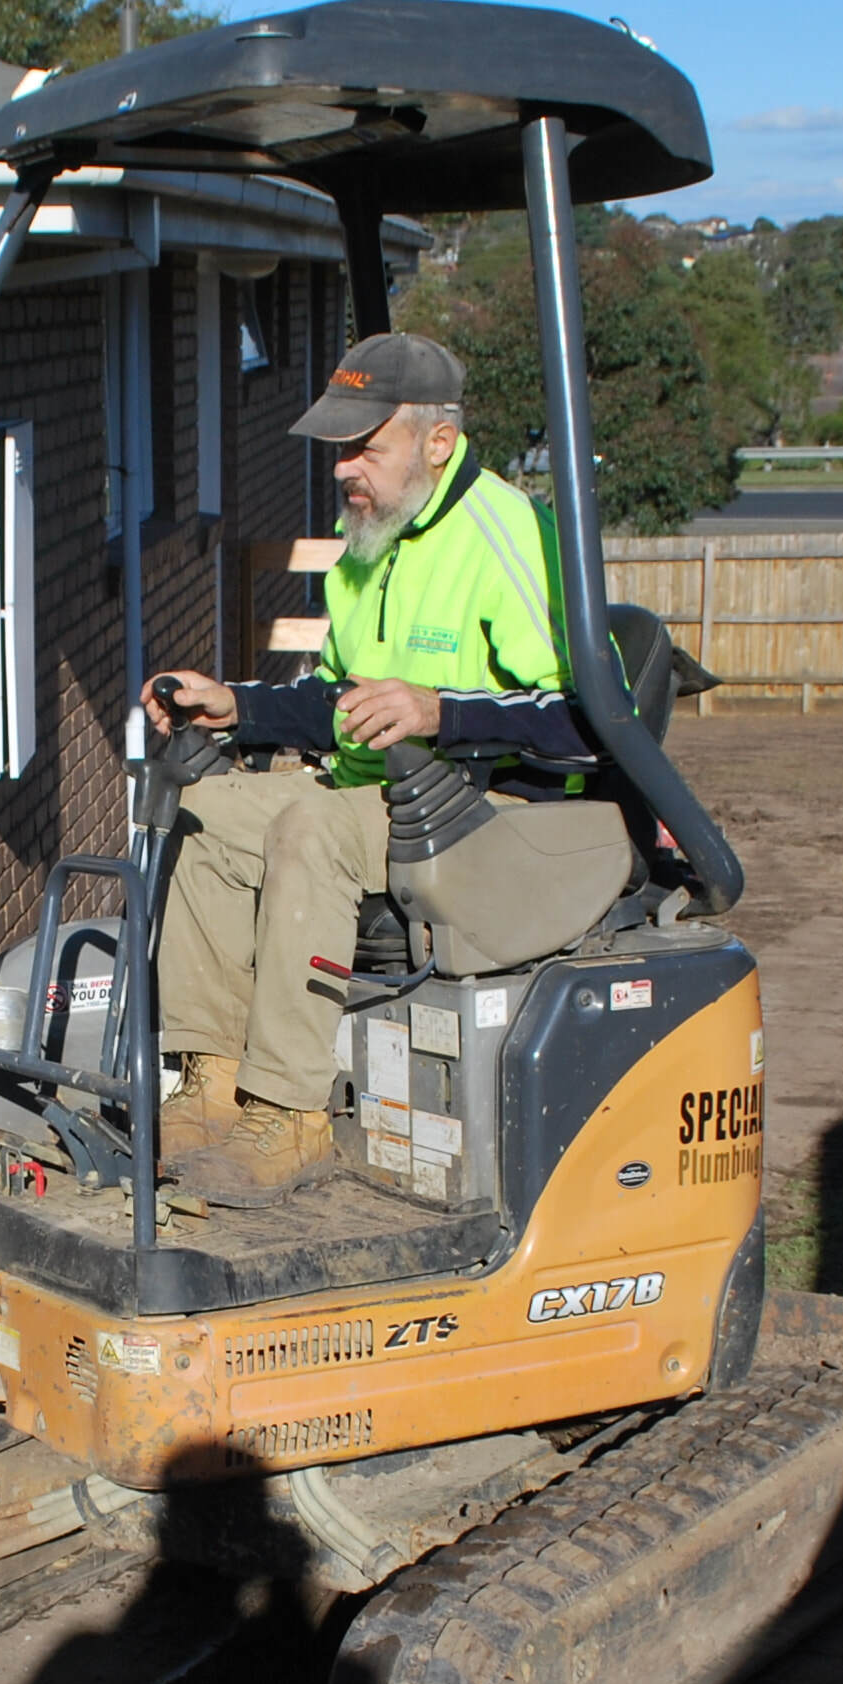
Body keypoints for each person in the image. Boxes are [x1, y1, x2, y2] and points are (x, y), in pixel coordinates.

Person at [142, 332, 594, 1204]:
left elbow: (584, 725)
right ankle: (212, 1080)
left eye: (364, 448)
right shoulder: (368, 542)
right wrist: (237, 705)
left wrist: (441, 711)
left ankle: (291, 1113)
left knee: (309, 825)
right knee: (210, 807)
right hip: (383, 791)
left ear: (436, 441)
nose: (345, 469)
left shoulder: (506, 536)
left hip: (499, 812)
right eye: (338, 450)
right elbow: (339, 699)